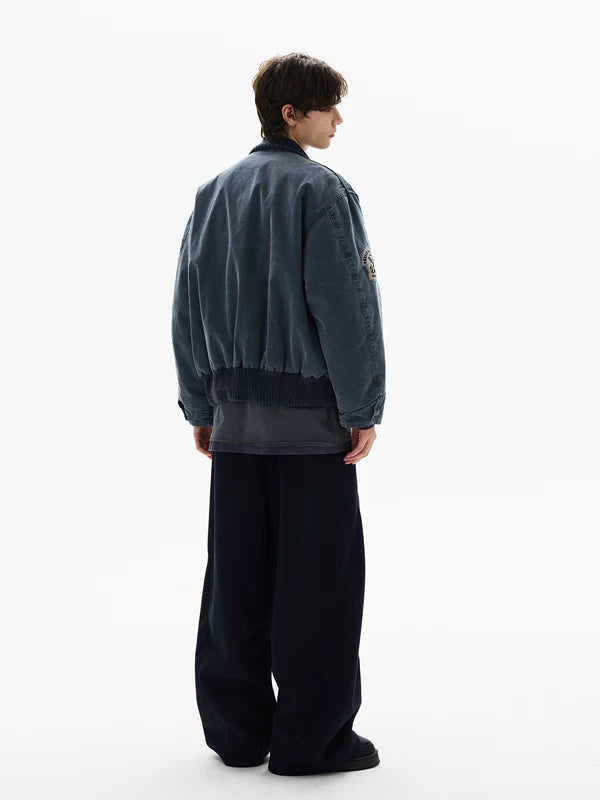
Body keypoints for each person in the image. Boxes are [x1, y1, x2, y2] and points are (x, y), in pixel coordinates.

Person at [171, 51, 386, 776]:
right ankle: (311, 742)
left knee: (235, 584)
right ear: (291, 113)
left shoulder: (213, 193)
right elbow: (346, 310)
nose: (338, 119)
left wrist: (201, 403)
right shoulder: (322, 192)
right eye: (328, 106)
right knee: (318, 586)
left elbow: (186, 307)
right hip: (311, 431)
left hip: (234, 426)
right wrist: (361, 406)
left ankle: (237, 734)